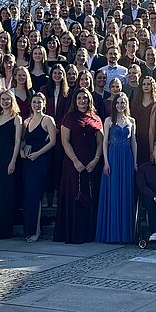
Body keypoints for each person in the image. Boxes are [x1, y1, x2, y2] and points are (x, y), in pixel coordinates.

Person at [56, 88, 103, 244]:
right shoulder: (68, 117)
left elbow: (100, 142)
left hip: (91, 164)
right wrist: (75, 160)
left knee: (90, 196)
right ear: (75, 101)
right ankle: (73, 234)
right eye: (79, 98)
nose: (82, 101)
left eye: (85, 98)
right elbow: (65, 141)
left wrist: (95, 160)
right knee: (73, 196)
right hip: (72, 164)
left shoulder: (96, 118)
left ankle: (89, 234)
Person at [96, 93, 136, 243]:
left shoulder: (131, 121)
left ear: (126, 104)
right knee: (113, 192)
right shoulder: (108, 120)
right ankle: (112, 233)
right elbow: (105, 142)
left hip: (126, 158)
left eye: (123, 102)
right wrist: (106, 162)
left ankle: (125, 234)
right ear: (114, 104)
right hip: (112, 157)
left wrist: (134, 162)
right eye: (118, 102)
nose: (120, 105)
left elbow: (134, 142)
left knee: (125, 193)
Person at [20, 92, 57, 242]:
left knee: (36, 195)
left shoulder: (47, 120)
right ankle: (28, 229)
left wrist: (37, 154)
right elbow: (23, 140)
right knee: (28, 195)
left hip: (41, 160)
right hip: (28, 161)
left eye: (39, 102)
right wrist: (22, 151)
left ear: (44, 104)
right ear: (31, 104)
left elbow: (53, 142)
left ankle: (36, 230)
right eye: (34, 102)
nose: (37, 105)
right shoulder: (26, 121)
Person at [0, 89, 23, 239]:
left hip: (9, 157)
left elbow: (17, 141)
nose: (5, 102)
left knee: (5, 193)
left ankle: (4, 230)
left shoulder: (17, 119)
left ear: (12, 101)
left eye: (8, 99)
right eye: (3, 99)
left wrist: (13, 161)